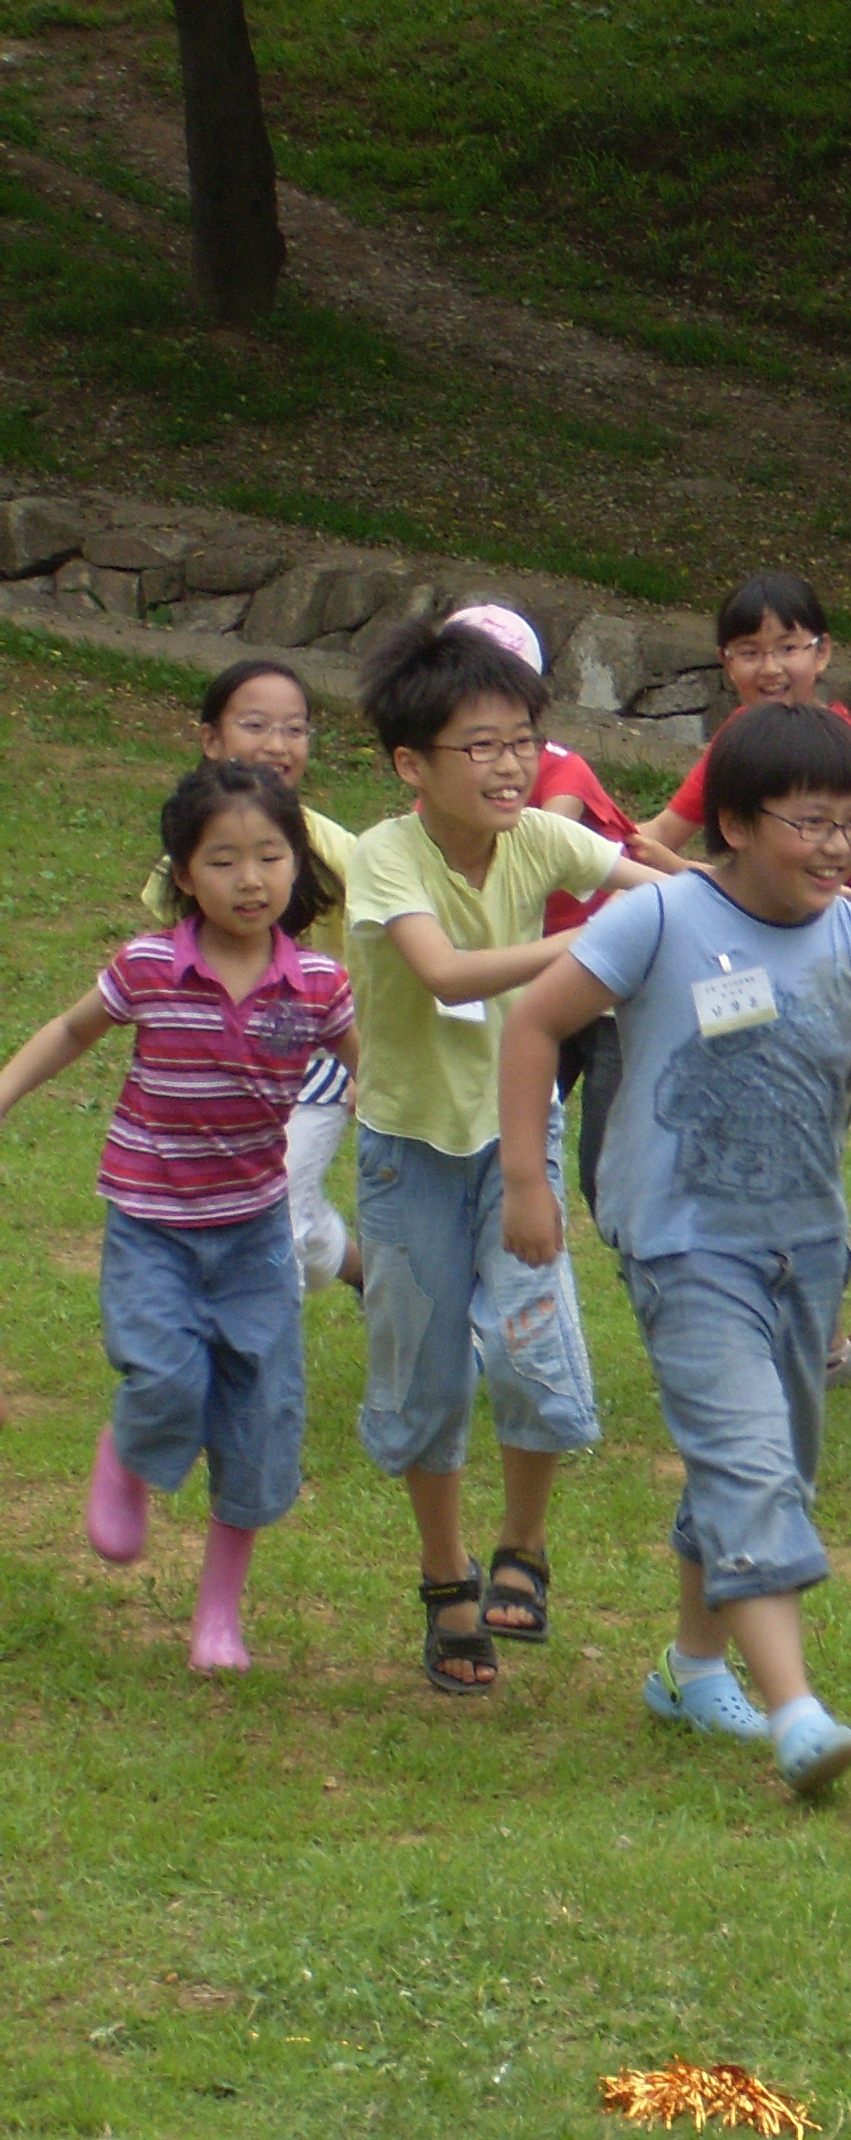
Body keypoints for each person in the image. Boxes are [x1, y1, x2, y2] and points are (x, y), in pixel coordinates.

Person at [498, 704, 851, 1797]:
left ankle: (693, 1670)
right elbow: (532, 1024)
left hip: (803, 1250)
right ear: (735, 824)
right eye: (812, 822)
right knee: (749, 1461)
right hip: (683, 1244)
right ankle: (795, 1710)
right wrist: (524, 1179)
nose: (840, 845)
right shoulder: (661, 919)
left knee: (763, 1460)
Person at [343, 619, 661, 1696]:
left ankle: (523, 1546)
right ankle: (447, 1579)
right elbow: (445, 973)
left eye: (523, 739)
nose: (510, 764)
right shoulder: (387, 859)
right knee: (424, 1369)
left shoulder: (539, 837)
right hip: (405, 1153)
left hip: (518, 1131)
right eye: (479, 746)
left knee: (533, 1346)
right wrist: (591, 943)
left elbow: (653, 877)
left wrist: (756, 881)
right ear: (411, 766)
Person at [0, 763, 356, 1673]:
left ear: (297, 865)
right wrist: (6, 1088)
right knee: (164, 1378)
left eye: (271, 856)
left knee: (261, 1417)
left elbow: (379, 1077)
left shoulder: (317, 985)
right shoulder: (152, 965)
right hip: (152, 1222)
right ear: (185, 874)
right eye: (224, 859)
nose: (251, 878)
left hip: (254, 1235)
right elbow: (74, 1030)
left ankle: (218, 1621)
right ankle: (126, 1451)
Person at [643, 572, 851, 1379]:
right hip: (795, 1001)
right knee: (790, 1155)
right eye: (750, 651)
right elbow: (661, 837)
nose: (771, 667)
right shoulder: (742, 750)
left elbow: (677, 855)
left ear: (823, 654)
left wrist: (658, 870)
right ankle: (821, 1341)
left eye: (790, 647)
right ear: (725, 663)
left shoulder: (841, 749)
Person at [435, 601, 680, 1232]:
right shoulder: (444, 783)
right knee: (503, 1124)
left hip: (608, 983)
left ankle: (664, 1271)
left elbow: (519, 861)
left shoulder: (558, 776)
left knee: (607, 1170)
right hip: (543, 980)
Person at [139, 659, 364, 1297]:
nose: (277, 744)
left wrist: (369, 1063)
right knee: (259, 1199)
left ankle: (254, 1362)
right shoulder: (186, 851)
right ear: (212, 740)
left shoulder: (340, 851)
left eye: (295, 729)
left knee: (278, 1206)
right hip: (225, 1055)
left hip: (316, 1050)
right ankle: (362, 1268)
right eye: (256, 725)